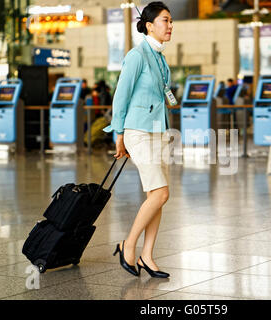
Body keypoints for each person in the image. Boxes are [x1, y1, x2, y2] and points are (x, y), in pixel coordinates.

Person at [103, 1, 174, 278]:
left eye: (170, 21)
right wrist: (118, 134)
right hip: (138, 131)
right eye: (165, 21)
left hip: (159, 132)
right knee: (161, 192)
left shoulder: (160, 57)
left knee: (156, 196)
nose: (170, 26)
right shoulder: (137, 56)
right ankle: (128, 245)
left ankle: (147, 255)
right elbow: (121, 96)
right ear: (149, 25)